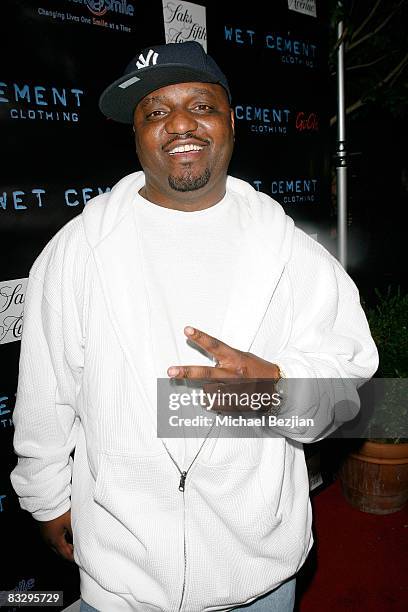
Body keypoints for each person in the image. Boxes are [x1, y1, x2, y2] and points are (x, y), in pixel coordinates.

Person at [10, 41, 378, 612]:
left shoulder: (293, 255)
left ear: (231, 120)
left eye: (200, 105)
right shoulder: (78, 251)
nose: (180, 123)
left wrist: (277, 388)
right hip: (122, 565)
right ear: (135, 134)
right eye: (156, 111)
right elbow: (46, 391)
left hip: (255, 565)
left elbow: (350, 393)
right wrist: (47, 498)